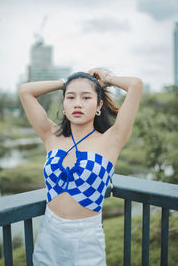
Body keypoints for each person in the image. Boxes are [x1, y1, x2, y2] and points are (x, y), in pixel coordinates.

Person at [18, 68, 143, 266]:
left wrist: (106, 80)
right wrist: (66, 81)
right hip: (48, 234)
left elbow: (135, 85)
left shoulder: (111, 140)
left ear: (99, 104)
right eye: (70, 97)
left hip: (86, 239)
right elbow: (25, 91)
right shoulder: (51, 135)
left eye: (86, 98)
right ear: (64, 103)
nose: (77, 104)